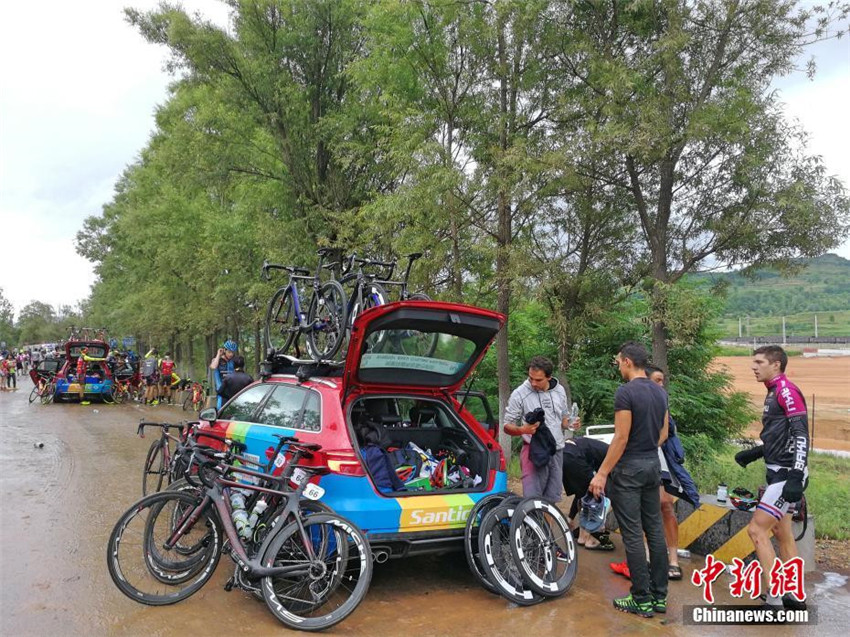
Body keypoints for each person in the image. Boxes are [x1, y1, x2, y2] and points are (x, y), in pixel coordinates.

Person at [589, 342, 669, 618]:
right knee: (655, 530)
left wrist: (602, 472)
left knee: (633, 534)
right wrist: (647, 449)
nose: (617, 365)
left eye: (618, 361)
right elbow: (664, 433)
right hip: (651, 465)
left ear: (627, 362)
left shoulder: (626, 393)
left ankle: (640, 598)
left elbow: (621, 437)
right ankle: (659, 597)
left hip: (629, 470)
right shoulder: (659, 393)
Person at [734, 345, 809, 611]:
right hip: (779, 470)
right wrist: (756, 452)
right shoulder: (773, 391)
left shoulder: (786, 391)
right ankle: (795, 595)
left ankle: (774, 598)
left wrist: (796, 476)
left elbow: (801, 435)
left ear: (776, 364)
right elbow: (781, 434)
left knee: (756, 530)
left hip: (786, 474)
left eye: (759, 362)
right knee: (782, 532)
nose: (753, 367)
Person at [503, 356, 574, 501]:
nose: (533, 383)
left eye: (538, 380)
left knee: (552, 499)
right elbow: (507, 425)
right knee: (533, 500)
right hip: (533, 451)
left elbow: (563, 420)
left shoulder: (559, 390)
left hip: (557, 450)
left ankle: (546, 525)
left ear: (549, 377)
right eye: (531, 378)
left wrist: (569, 424)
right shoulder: (520, 393)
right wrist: (523, 430)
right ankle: (532, 524)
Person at [562, 436, 613, 550]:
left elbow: (580, 494)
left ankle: (582, 536)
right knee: (600, 495)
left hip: (563, 454)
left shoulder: (601, 449)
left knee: (585, 493)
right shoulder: (616, 457)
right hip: (573, 455)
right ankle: (592, 539)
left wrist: (570, 517)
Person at [210, 340, 238, 408]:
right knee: (220, 411)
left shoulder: (233, 361)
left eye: (232, 352)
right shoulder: (217, 360)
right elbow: (213, 367)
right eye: (229, 352)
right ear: (224, 350)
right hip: (221, 392)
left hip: (231, 391)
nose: (231, 354)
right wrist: (218, 354)